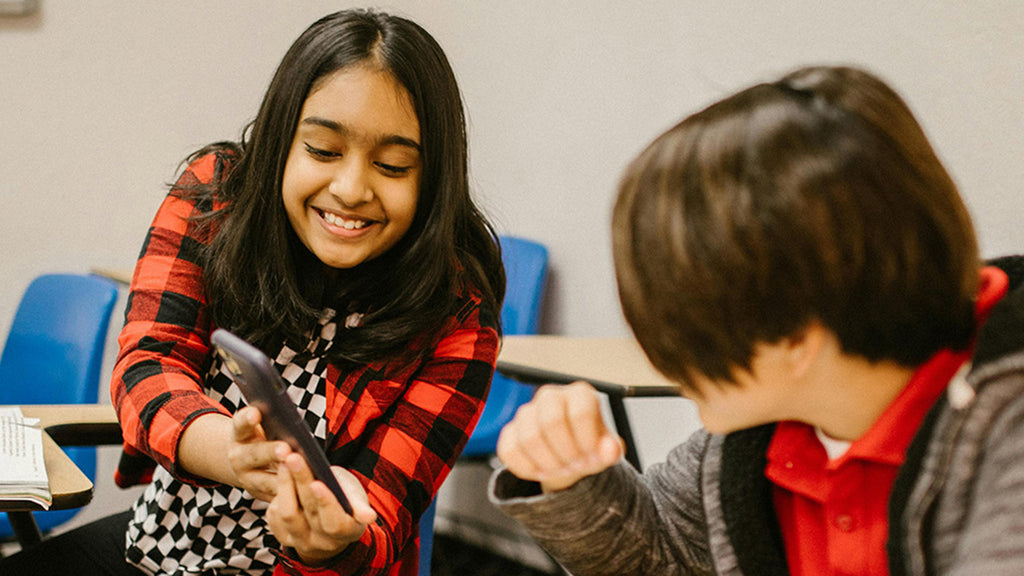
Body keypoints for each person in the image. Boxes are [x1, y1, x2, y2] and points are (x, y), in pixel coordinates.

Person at [1, 8, 503, 576]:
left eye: (392, 165)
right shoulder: (216, 200)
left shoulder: (459, 309)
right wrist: (231, 452)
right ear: (280, 139)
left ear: (433, 177)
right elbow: (148, 361)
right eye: (322, 150)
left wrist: (331, 538)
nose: (351, 189)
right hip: (160, 544)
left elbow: (386, 510)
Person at [490, 65, 1024, 575]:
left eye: (675, 322)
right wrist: (571, 478)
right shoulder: (757, 435)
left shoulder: (1004, 434)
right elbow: (665, 555)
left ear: (796, 337)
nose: (657, 351)